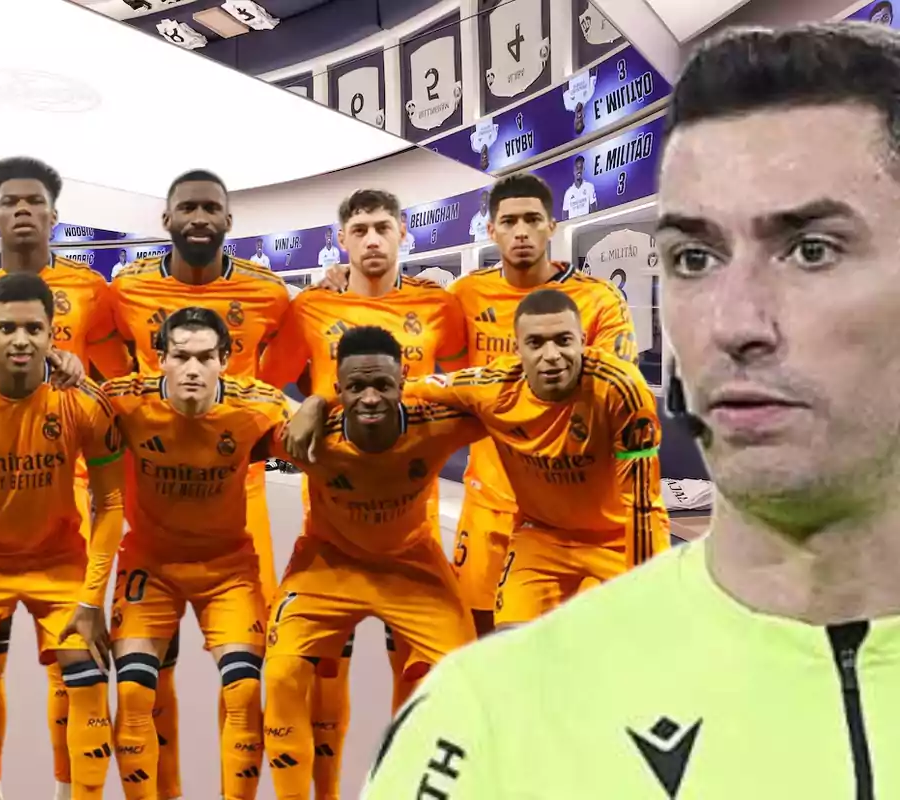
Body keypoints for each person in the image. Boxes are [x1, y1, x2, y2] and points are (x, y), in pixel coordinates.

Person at [364, 23, 900, 796]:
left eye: (810, 249)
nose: (732, 324)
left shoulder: (610, 380)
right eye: (695, 259)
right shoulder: (485, 721)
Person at [325, 173, 636, 636]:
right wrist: (345, 279)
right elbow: (407, 335)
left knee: (583, 646)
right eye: (509, 221)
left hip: (578, 513)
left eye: (533, 220)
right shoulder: (465, 296)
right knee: (480, 636)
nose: (521, 232)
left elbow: (612, 391)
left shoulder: (599, 299)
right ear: (491, 230)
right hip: (490, 501)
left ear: (553, 226)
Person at [258, 188, 467, 796]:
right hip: (330, 528)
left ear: (404, 232)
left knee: (428, 681)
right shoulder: (312, 307)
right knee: (318, 676)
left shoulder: (439, 306)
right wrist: (313, 402)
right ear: (341, 240)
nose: (372, 239)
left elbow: (464, 381)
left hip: (411, 531)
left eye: (382, 227)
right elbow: (268, 382)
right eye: (359, 229)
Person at [0, 155, 112, 799]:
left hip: (68, 482)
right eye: (10, 202)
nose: (23, 210)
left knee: (72, 669)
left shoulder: (92, 289)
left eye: (35, 201)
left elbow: (118, 374)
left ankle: (69, 788)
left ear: (55, 216)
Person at [109, 169, 289, 799]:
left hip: (232, 540)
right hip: (150, 553)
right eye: (187, 206)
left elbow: (313, 407)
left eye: (212, 207)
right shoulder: (125, 304)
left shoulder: (267, 308)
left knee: (245, 682)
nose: (199, 217)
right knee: (138, 683)